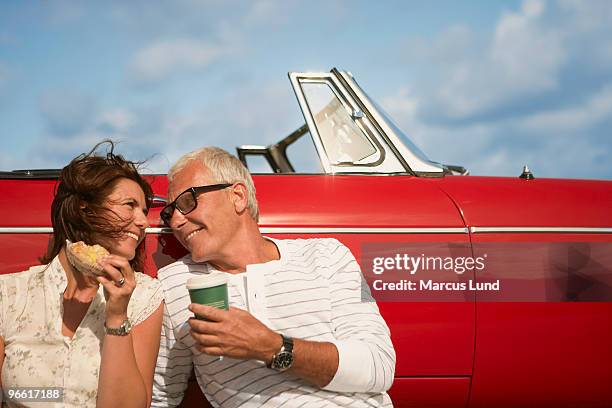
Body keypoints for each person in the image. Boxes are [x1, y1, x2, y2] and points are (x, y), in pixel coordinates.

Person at [152, 147, 395, 407]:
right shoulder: (174, 284)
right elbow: (159, 398)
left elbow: (378, 367)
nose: (175, 221)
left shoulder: (328, 255)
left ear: (237, 196)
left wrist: (271, 347)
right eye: (169, 213)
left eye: (188, 202)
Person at [0, 141, 164, 407]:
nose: (144, 222)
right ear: (84, 209)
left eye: (144, 211)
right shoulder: (10, 293)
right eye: (129, 205)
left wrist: (117, 316)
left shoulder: (145, 295)